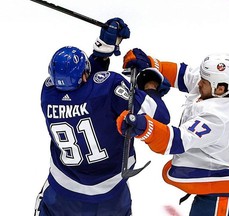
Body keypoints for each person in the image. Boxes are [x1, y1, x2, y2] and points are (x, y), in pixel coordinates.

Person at [34, 19, 170, 216]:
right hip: (111, 194)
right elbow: (160, 115)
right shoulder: (110, 87)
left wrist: (103, 48)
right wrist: (150, 85)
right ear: (84, 76)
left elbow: (85, 90)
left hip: (62, 194)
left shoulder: (48, 93)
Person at [117, 48, 229, 216]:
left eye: (204, 81)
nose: (199, 83)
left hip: (226, 196)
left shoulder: (219, 117)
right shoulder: (226, 88)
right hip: (221, 183)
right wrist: (152, 65)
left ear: (220, 89)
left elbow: (177, 141)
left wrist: (144, 127)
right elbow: (185, 75)